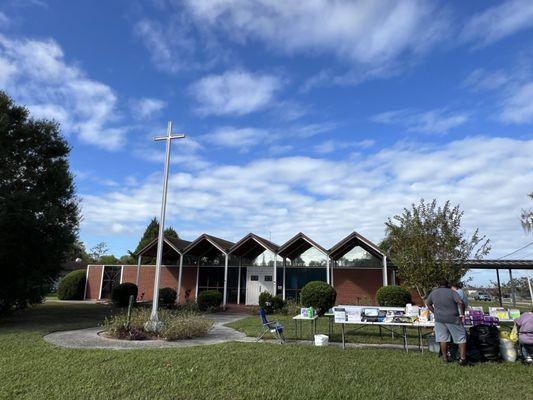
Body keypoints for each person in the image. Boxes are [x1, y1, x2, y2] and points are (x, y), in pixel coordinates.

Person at [426, 279, 468, 365]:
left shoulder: (433, 293)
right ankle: (462, 359)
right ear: (448, 284)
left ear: (438, 285)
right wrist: (462, 314)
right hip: (453, 318)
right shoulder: (452, 292)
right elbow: (460, 302)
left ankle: (445, 358)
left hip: (439, 319)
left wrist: (434, 312)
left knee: (442, 339)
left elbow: (428, 304)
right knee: (461, 337)